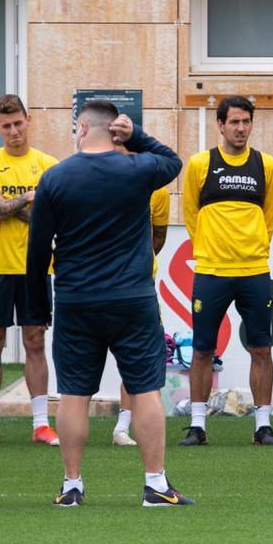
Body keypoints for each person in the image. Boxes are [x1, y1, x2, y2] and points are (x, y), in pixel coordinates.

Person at [27, 100, 192, 507]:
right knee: (146, 388)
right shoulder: (136, 170)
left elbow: (36, 250)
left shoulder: (54, 178)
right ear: (112, 129)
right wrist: (135, 135)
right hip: (131, 299)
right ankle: (155, 483)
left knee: (73, 394)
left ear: (82, 128)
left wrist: (37, 307)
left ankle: (71, 486)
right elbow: (172, 161)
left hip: (76, 300)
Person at [178, 96, 273, 446]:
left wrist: (251, 248)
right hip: (211, 270)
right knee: (203, 349)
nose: (240, 128)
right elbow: (191, 212)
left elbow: (269, 215)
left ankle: (263, 425)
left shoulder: (266, 165)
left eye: (246, 122)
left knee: (261, 348)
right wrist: (209, 246)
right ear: (220, 125)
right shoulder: (199, 164)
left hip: (253, 270)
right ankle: (197, 425)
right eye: (234, 122)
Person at [0, 94, 59, 446]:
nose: (13, 131)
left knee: (35, 341)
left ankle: (40, 424)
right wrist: (26, 199)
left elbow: (48, 222)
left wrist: (5, 203)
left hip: (36, 266)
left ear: (29, 120)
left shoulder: (49, 166)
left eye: (18, 123)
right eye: (6, 126)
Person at [112, 184, 170, 447]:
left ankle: (123, 427)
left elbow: (159, 236)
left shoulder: (156, 190)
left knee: (137, 355)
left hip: (140, 286)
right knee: (88, 360)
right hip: (101, 284)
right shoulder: (97, 181)